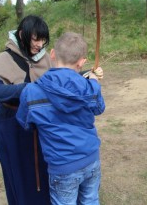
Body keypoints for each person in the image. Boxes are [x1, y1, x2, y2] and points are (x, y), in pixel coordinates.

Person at [16, 32, 105, 205]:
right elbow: (99, 108)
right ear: (82, 62)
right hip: (91, 158)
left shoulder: (31, 92)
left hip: (62, 166)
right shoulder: (89, 87)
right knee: (90, 200)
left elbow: (25, 123)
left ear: (52, 55)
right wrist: (94, 81)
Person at [0, 15, 52, 205]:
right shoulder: (5, 58)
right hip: (12, 127)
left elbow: (60, 79)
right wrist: (26, 89)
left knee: (42, 173)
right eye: (35, 39)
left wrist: (86, 74)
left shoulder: (45, 58)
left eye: (43, 39)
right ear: (22, 35)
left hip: (39, 126)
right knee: (20, 175)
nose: (40, 44)